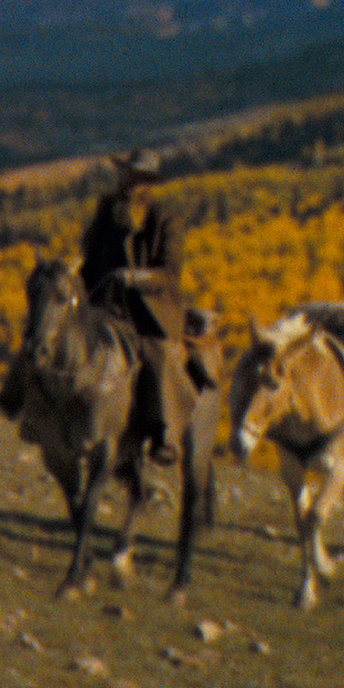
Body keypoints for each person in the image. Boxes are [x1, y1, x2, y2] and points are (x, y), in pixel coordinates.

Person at [80, 149, 204, 459]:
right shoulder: (106, 210)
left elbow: (170, 273)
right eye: (126, 175)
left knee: (157, 355)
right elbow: (92, 256)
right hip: (105, 302)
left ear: (147, 183)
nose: (128, 182)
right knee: (51, 331)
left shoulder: (166, 218)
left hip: (150, 312)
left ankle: (165, 434)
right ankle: (28, 405)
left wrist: (134, 278)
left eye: (136, 177)